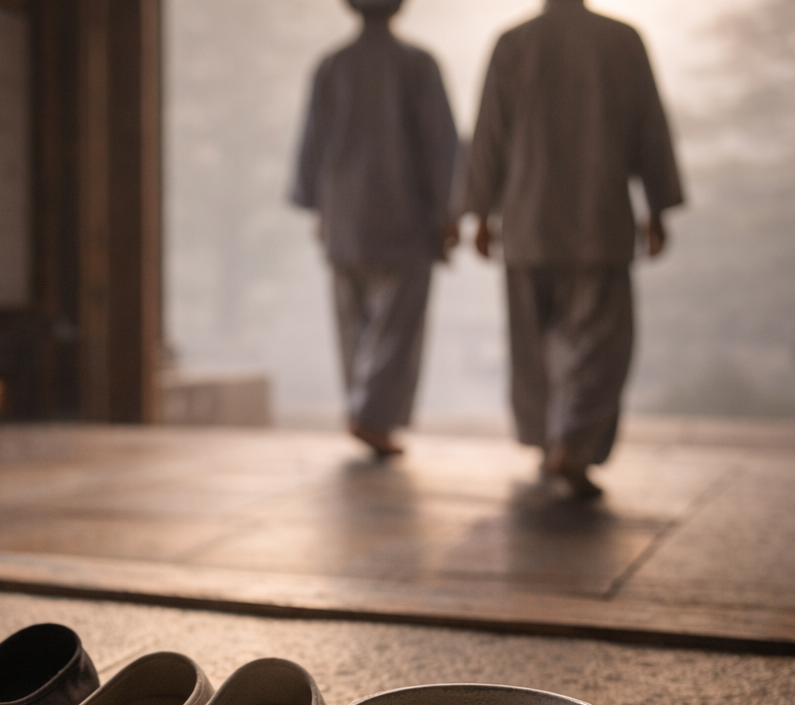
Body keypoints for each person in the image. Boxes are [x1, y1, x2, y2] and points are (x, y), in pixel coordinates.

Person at [462, 0, 683, 497]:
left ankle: (550, 441)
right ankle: (572, 442)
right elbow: (650, 127)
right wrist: (658, 207)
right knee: (597, 343)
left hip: (528, 217)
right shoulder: (622, 40)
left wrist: (479, 211)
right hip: (597, 218)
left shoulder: (514, 42)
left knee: (534, 344)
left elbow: (489, 133)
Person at [290, 0, 459, 458]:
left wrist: (318, 207)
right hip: (404, 216)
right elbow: (440, 143)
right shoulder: (417, 63)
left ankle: (363, 409)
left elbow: (313, 143)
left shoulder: (332, 65)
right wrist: (450, 210)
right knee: (396, 326)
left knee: (354, 324)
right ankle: (372, 415)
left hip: (345, 217)